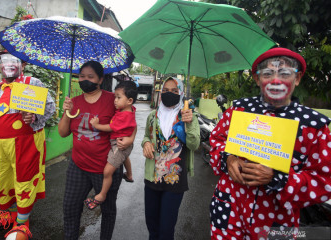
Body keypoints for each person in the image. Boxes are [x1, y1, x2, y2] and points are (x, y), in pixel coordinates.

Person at [208, 47, 331, 239]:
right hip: (228, 212)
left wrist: (278, 178)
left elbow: (324, 182)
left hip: (277, 224)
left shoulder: (313, 126)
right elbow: (216, 140)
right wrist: (229, 158)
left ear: (297, 78)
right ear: (257, 79)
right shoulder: (239, 110)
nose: (276, 81)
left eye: (284, 73)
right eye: (267, 73)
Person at [0, 50, 56, 240]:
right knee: (3, 178)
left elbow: (50, 107)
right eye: (4, 61)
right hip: (0, 146)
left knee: (24, 180)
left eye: (13, 60)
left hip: (26, 144)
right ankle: (7, 213)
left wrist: (34, 116)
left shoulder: (32, 83)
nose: (8, 64)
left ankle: (22, 224)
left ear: (23, 64)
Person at [58, 61, 136, 240]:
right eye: (82, 76)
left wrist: (130, 139)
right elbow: (63, 133)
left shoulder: (113, 99)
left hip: (106, 167)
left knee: (108, 210)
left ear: (100, 79)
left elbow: (130, 120)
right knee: (70, 208)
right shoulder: (74, 102)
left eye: (90, 77)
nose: (85, 80)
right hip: (78, 166)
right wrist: (66, 111)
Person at [142, 77, 200, 240]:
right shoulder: (153, 116)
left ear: (181, 93)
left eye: (174, 91)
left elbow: (194, 145)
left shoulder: (188, 116)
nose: (169, 94)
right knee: (152, 226)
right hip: (152, 179)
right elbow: (146, 136)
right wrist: (146, 143)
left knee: (166, 230)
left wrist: (188, 124)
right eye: (165, 90)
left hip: (175, 181)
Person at [84, 80, 137, 210]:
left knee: (107, 171)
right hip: (123, 144)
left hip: (119, 144)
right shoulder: (129, 110)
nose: (115, 100)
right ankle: (129, 175)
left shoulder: (124, 115)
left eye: (118, 97)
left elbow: (110, 127)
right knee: (124, 157)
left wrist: (96, 125)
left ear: (129, 100)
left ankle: (102, 194)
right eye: (115, 97)